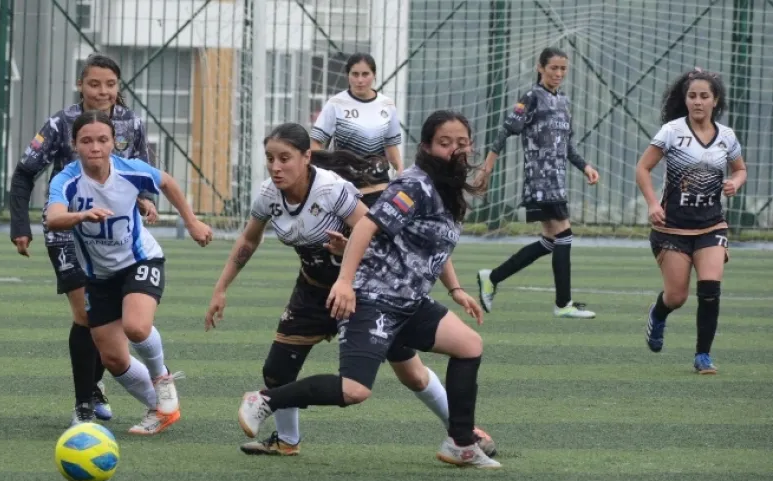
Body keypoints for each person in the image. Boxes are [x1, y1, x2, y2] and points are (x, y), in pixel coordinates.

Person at [207, 123, 496, 457]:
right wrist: (221, 288)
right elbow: (248, 239)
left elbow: (379, 233)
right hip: (317, 290)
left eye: (284, 158)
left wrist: (453, 287)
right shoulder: (269, 195)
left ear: (306, 157)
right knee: (278, 370)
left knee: (413, 374)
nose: (275, 166)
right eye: (270, 158)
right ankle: (286, 440)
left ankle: (463, 435)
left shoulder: (332, 189)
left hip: (364, 289)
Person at [8, 54, 160, 425]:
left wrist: (146, 202)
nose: (102, 91)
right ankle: (85, 400)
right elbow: (25, 173)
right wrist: (20, 226)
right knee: (85, 315)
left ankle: (125, 386)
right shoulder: (61, 123)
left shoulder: (132, 124)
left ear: (118, 87)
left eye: (110, 84)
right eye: (94, 84)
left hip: (116, 234)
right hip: (68, 230)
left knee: (111, 320)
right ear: (81, 85)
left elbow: (145, 175)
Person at [46, 110, 213, 434]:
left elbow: (167, 182)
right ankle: (161, 408)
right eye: (87, 141)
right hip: (99, 276)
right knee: (113, 358)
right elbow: (53, 218)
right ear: (74, 145)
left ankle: (163, 381)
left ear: (113, 143)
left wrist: (192, 221)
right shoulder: (66, 179)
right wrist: (82, 216)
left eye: (102, 140)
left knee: (137, 327)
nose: (95, 147)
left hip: (141, 261)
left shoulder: (131, 171)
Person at [475, 47, 600, 319]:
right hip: (539, 181)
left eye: (563, 68)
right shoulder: (531, 97)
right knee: (564, 235)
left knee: (551, 240)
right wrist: (487, 168)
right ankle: (563, 304)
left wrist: (585, 167)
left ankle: (492, 277)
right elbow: (506, 130)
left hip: (558, 181)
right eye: (553, 67)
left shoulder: (564, 102)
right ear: (540, 67)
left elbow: (567, 146)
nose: (558, 73)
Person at [635, 68, 746, 374]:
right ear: (685, 100)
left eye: (704, 96)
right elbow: (642, 169)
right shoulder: (672, 131)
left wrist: (736, 181)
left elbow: (740, 169)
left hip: (711, 225)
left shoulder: (726, 137)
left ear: (716, 100)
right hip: (672, 228)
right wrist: (652, 203)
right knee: (677, 296)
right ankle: (658, 315)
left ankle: (703, 356)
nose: (698, 102)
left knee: (710, 289)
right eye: (692, 96)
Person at [311, 52, 404, 179]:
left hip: (379, 183)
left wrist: (400, 169)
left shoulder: (387, 105)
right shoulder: (335, 104)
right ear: (347, 76)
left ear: (374, 75)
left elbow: (391, 145)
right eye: (355, 74)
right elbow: (316, 142)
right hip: (344, 182)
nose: (360, 80)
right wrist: (325, 171)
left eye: (365, 74)